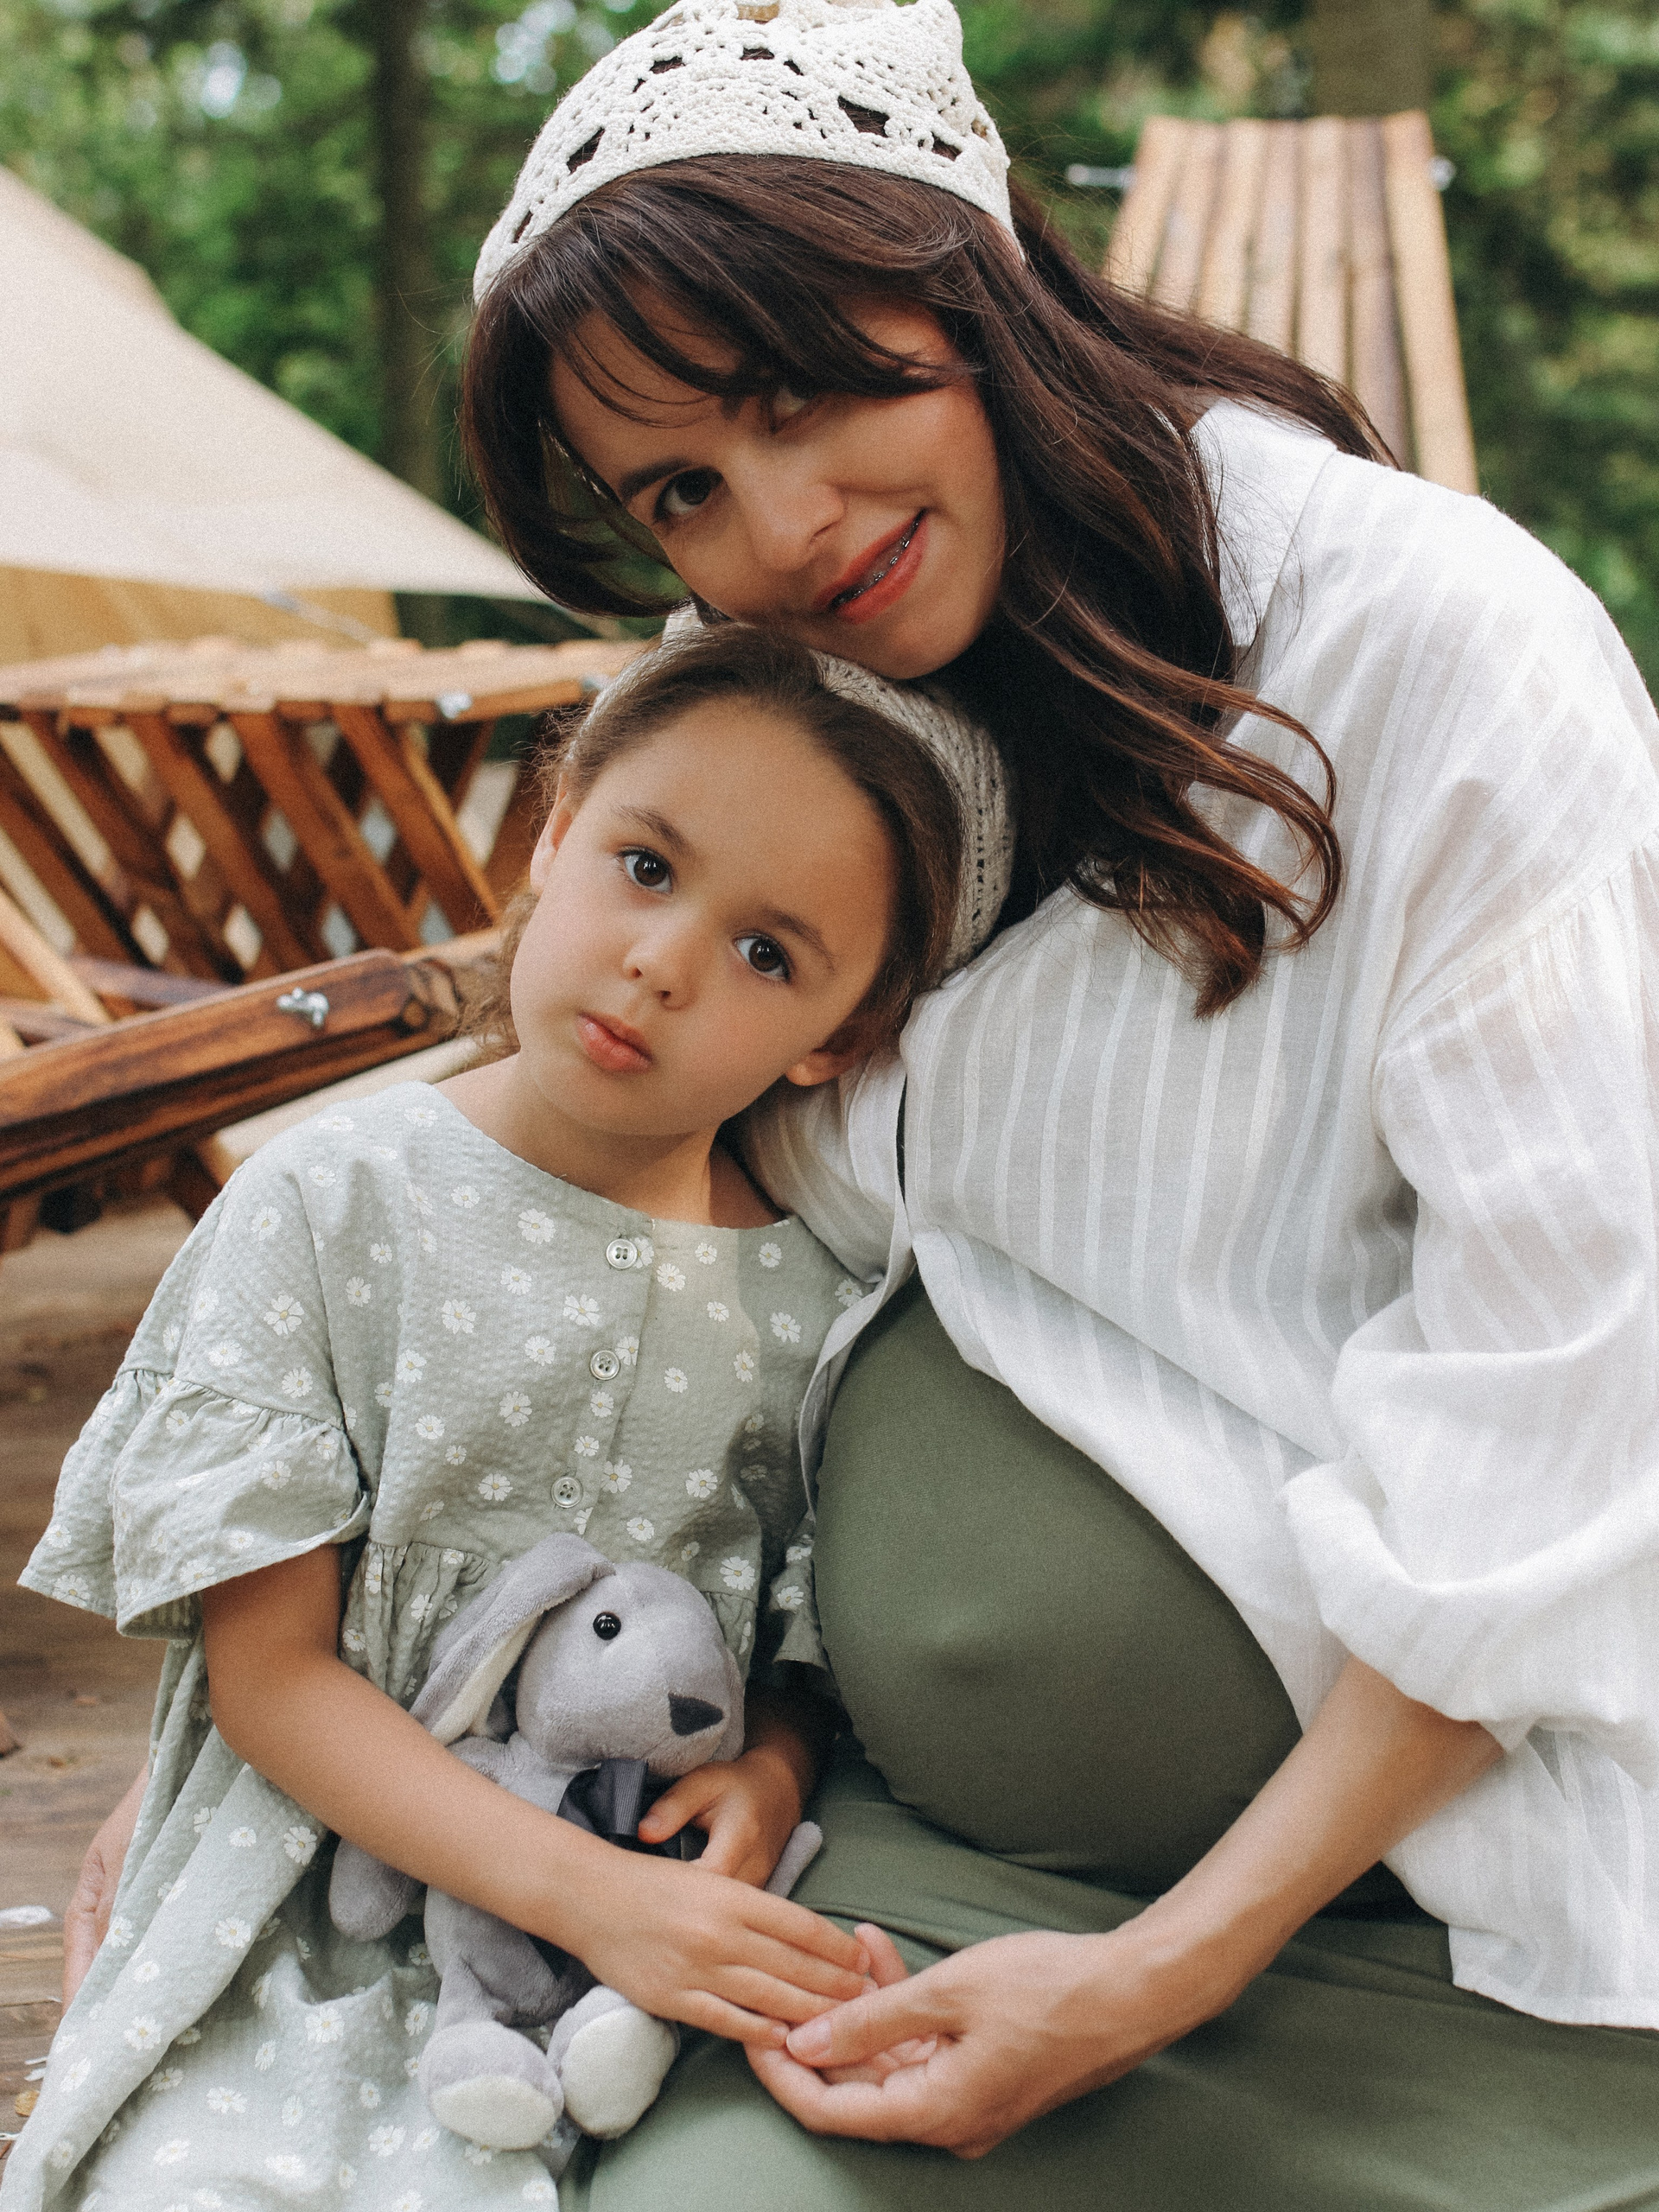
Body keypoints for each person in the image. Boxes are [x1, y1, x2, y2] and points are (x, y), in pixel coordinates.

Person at [467, 2, 1659, 2207]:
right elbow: (641, 1227)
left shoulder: (1440, 649)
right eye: (681, 491)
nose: (784, 527)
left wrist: (1146, 1976)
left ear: (972, 271)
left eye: (802, 391)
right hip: (884, 1860)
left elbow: (1567, 1419)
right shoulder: (782, 733)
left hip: (1418, 1913)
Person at [2, 625, 1014, 2211]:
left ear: (838, 1037)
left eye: (769, 954)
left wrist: (769, 1772)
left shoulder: (816, 1303)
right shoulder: (328, 1205)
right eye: (644, 866)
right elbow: (271, 1680)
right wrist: (595, 1902)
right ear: (553, 830)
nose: (663, 961)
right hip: (311, 1902)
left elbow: (800, 1646)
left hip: (652, 1930)